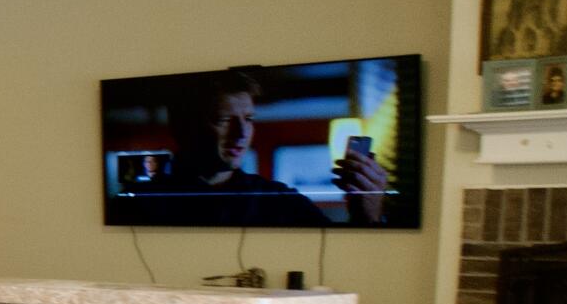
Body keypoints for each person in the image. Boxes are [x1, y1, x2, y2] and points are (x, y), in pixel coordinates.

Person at [119, 70, 385, 226]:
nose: (242, 134)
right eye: (224, 120)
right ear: (183, 127)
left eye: (249, 119)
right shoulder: (136, 203)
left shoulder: (278, 199)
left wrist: (367, 213)